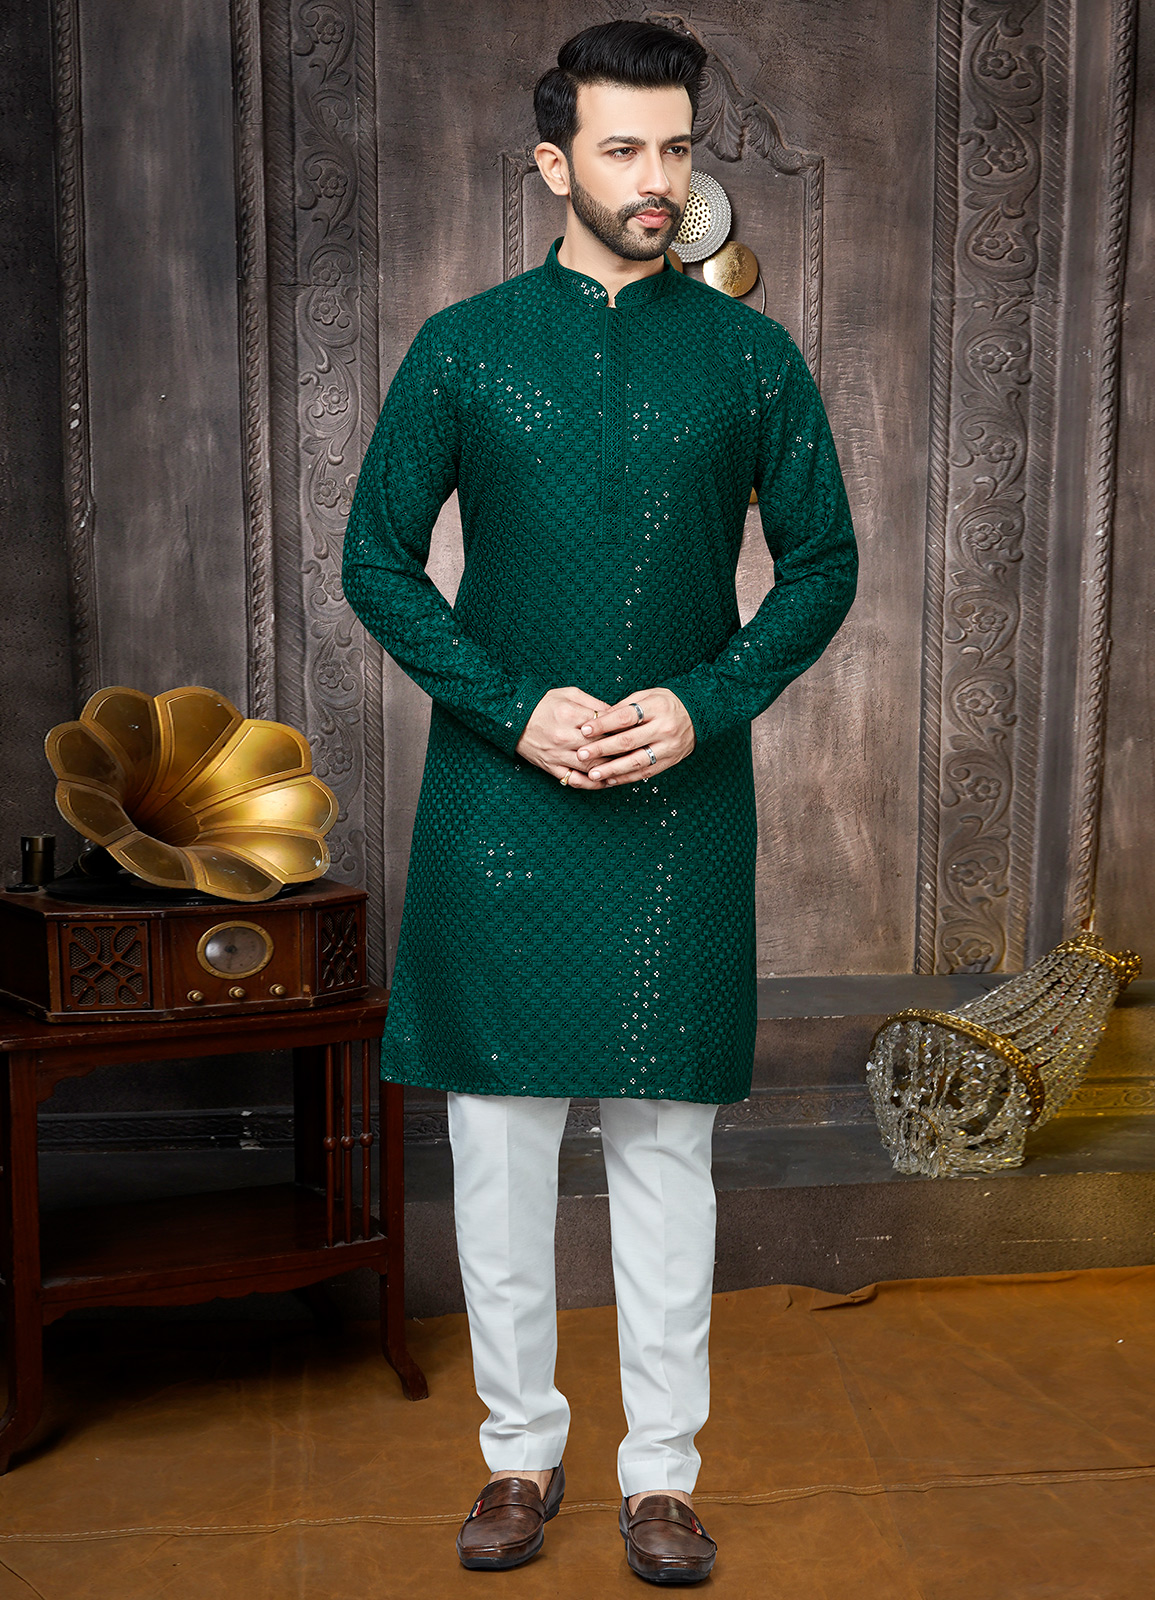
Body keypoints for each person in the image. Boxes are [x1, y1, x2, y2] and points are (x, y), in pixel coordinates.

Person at [342, 19, 857, 1585]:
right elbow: (375, 560)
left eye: (676, 148)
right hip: (499, 807)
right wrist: (515, 704)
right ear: (552, 164)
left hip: (678, 809)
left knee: (664, 1157)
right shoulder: (465, 346)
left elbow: (823, 567)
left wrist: (704, 701)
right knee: (497, 1152)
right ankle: (517, 1457)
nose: (655, 179)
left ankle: (661, 1478)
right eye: (623, 149)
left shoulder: (753, 356)